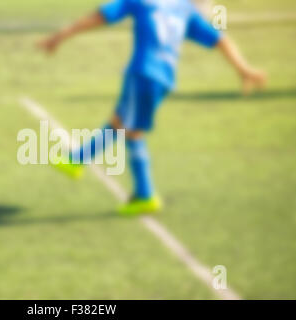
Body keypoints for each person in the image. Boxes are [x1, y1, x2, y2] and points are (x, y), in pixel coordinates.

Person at [37, 0, 266, 215]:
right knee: (121, 121)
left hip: (144, 72)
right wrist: (244, 69)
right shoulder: (183, 7)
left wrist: (60, 36)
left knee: (133, 130)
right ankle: (77, 160)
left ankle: (145, 195)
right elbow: (220, 39)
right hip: (163, 77)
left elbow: (99, 16)